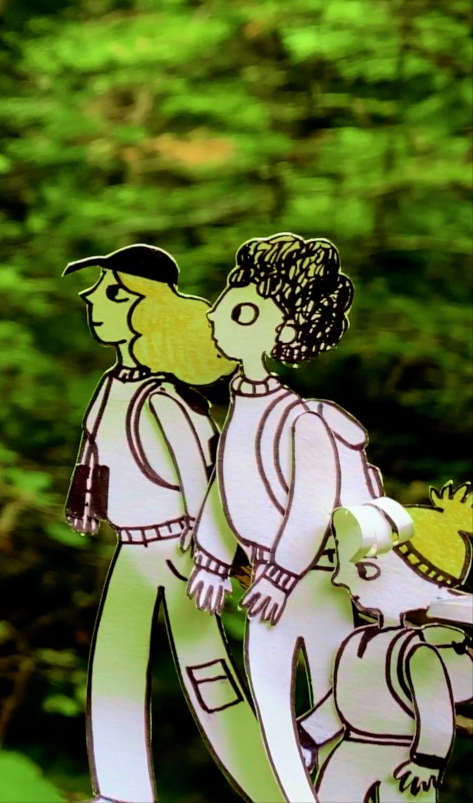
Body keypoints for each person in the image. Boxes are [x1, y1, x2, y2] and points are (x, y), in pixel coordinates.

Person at [62, 244, 282, 803]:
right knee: (113, 671)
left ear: (150, 312)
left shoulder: (166, 399)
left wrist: (223, 556)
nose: (92, 298)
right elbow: (96, 452)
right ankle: (118, 790)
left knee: (208, 678)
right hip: (130, 552)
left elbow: (209, 477)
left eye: (113, 291)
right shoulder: (114, 386)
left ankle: (273, 788)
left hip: (179, 552)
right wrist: (86, 502)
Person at [186, 233, 382, 803]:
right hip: (265, 588)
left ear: (286, 332)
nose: (221, 316)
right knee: (273, 714)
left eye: (243, 311)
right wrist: (211, 559)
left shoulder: (304, 422)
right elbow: (224, 494)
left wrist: (279, 575)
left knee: (335, 704)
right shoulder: (239, 412)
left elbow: (310, 510)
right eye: (226, 302)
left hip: (315, 583)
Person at [298, 487, 472, 802]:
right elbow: (341, 699)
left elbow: (435, 712)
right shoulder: (355, 641)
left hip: (405, 761)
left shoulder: (419, 652)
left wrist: (428, 761)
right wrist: (307, 737)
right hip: (351, 749)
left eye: (366, 571)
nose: (340, 581)